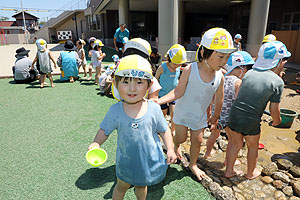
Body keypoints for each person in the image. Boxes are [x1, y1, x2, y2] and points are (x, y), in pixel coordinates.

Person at [88, 55, 177, 200]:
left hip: (146, 163)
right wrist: (96, 142)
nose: (132, 88)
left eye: (139, 82)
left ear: (149, 86)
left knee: (141, 186)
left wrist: (171, 149)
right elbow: (104, 130)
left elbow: (164, 130)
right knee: (121, 186)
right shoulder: (115, 110)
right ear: (116, 84)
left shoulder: (154, 108)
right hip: (125, 163)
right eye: (125, 81)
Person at [155, 27, 236, 180]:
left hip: (199, 116)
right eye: (221, 57)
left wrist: (215, 117)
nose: (224, 62)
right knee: (180, 138)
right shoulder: (190, 69)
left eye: (227, 57)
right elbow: (177, 92)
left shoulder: (220, 76)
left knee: (197, 141)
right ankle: (176, 146)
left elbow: (219, 99)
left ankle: (193, 164)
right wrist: (159, 101)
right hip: (182, 112)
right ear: (205, 52)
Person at [224, 41, 291, 180]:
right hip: (251, 119)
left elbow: (241, 94)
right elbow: (274, 109)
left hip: (234, 114)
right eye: (284, 60)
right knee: (253, 147)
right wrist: (277, 121)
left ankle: (229, 171)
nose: (285, 62)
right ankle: (250, 173)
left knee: (234, 143)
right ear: (277, 62)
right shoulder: (277, 82)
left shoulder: (250, 73)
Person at [204, 51, 255, 161]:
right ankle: (230, 161)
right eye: (248, 68)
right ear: (241, 68)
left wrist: (211, 111)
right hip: (230, 117)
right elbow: (238, 103)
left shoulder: (221, 78)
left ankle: (207, 153)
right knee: (233, 140)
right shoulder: (238, 82)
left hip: (218, 114)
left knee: (214, 135)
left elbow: (213, 97)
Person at [155, 44, 187, 136]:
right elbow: (155, 79)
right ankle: (161, 128)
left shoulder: (178, 68)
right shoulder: (163, 67)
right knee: (163, 113)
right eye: (174, 64)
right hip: (162, 95)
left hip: (173, 94)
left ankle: (173, 129)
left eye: (178, 64)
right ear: (169, 59)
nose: (176, 66)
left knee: (174, 113)